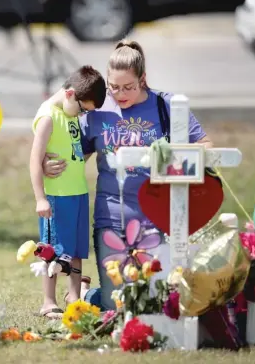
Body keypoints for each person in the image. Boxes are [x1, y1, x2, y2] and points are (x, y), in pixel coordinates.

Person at [42, 40, 213, 311]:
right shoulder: (98, 109)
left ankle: (90, 293)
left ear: (143, 79)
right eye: (114, 87)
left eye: (128, 87)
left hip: (156, 218)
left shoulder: (165, 106)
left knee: (153, 300)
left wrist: (173, 158)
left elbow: (205, 147)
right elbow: (74, 153)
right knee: (118, 305)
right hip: (110, 219)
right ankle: (88, 295)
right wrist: (47, 165)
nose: (120, 94)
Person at [30, 65, 106, 319]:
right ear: (71, 94)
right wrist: (40, 198)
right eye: (84, 109)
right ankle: (48, 301)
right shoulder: (48, 117)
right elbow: (34, 160)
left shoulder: (71, 114)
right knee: (52, 250)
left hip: (78, 194)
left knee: (75, 250)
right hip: (56, 197)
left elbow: (75, 154)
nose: (85, 114)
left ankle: (74, 297)